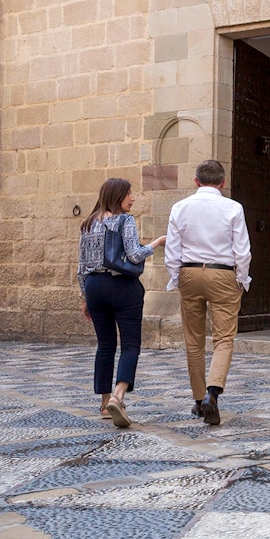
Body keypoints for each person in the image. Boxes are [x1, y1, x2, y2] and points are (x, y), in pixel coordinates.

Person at [164, 159, 251, 425]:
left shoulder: (180, 207)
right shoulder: (233, 207)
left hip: (190, 272)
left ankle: (198, 399)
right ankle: (212, 394)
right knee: (224, 339)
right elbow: (242, 250)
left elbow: (172, 250)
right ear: (223, 182)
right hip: (222, 272)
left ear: (196, 181)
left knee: (194, 340)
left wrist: (176, 277)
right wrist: (241, 279)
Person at [77, 178, 165, 428]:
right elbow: (134, 254)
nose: (133, 198)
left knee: (105, 346)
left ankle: (105, 404)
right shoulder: (125, 220)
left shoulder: (88, 223)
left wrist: (84, 297)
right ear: (118, 196)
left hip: (94, 287)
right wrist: (157, 243)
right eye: (129, 194)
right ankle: (119, 395)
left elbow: (81, 266)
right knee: (130, 345)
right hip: (122, 287)